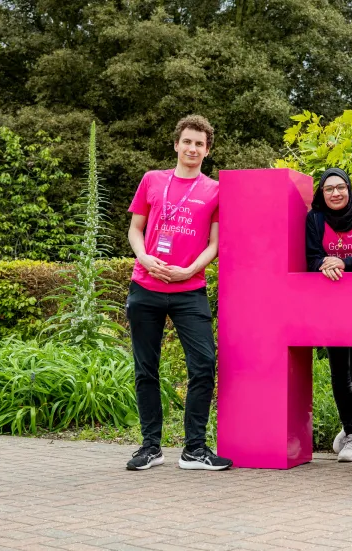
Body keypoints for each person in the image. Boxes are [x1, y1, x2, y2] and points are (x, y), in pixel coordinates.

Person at [125, 115, 232, 472]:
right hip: (145, 285)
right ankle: (150, 447)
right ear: (176, 144)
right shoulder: (152, 180)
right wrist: (144, 257)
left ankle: (194, 449)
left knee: (203, 365)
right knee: (146, 369)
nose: (192, 148)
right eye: (187, 141)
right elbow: (135, 228)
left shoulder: (215, 190)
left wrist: (191, 269)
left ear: (207, 150)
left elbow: (215, 243)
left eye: (200, 144)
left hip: (189, 289)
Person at [305, 168, 352, 462]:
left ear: (349, 188)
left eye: (340, 187)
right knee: (339, 369)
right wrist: (324, 264)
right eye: (329, 189)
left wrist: (343, 262)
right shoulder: (315, 219)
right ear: (322, 193)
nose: (336, 193)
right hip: (331, 304)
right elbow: (311, 257)